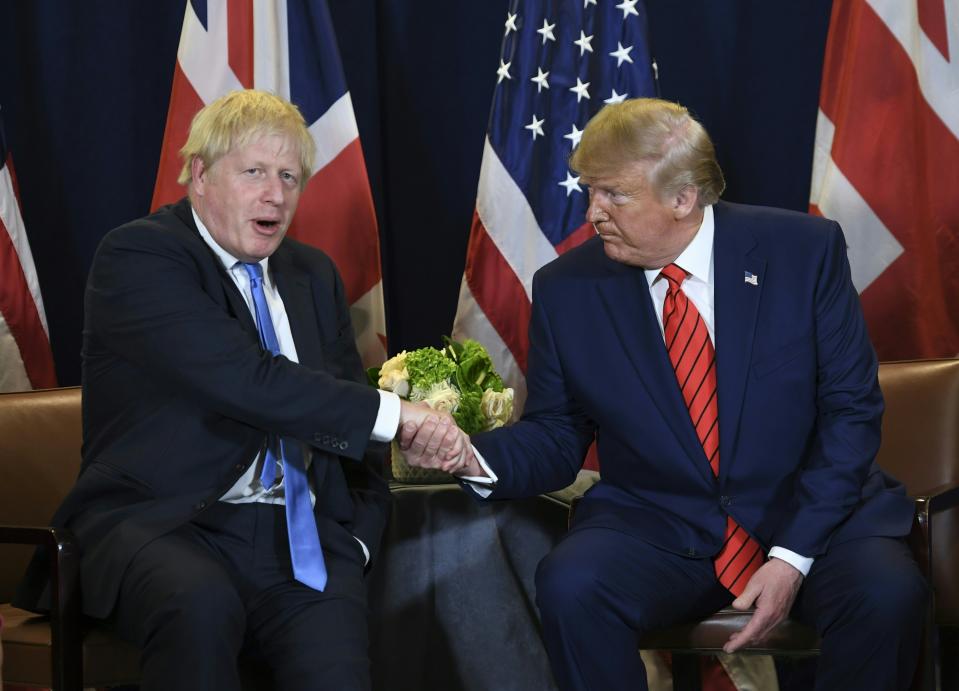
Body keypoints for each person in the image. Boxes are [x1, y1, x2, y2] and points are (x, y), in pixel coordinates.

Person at [401, 98, 928, 691]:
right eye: (589, 191)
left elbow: (850, 412)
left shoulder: (803, 252)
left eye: (614, 195)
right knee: (572, 584)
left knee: (887, 596)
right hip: (661, 524)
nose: (594, 212)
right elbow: (558, 432)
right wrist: (472, 456)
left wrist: (792, 556)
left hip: (810, 518)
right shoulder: (567, 289)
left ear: (683, 198)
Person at [14, 89, 470, 691]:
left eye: (289, 176)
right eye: (254, 171)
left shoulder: (312, 274)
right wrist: (400, 415)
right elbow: (247, 380)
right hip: (165, 523)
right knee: (201, 604)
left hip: (300, 538)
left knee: (339, 668)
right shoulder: (141, 255)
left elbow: (339, 416)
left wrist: (355, 537)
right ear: (199, 175)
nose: (275, 195)